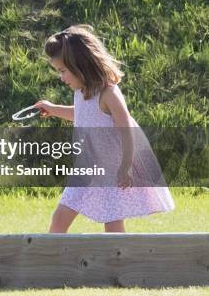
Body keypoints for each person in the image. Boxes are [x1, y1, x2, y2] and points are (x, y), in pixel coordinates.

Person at [34, 25, 174, 233]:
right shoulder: (81, 90)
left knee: (113, 225)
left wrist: (125, 166)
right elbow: (82, 114)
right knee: (59, 219)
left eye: (63, 71)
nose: (61, 78)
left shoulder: (108, 93)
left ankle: (118, 264)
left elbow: (127, 129)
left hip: (112, 169)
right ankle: (52, 261)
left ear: (81, 65)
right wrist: (53, 109)